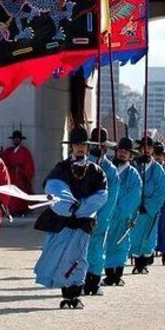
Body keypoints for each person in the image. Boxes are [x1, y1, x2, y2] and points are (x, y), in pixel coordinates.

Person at [33, 126, 107, 309]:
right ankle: (66, 294)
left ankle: (75, 294)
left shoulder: (96, 171)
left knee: (78, 258)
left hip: (82, 223)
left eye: (83, 145)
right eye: (76, 145)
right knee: (59, 256)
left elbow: (102, 195)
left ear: (88, 148)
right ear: (71, 147)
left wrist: (80, 209)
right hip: (63, 222)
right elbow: (54, 190)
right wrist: (67, 207)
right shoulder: (61, 168)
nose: (80, 148)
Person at [84, 127, 120, 296]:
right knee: (81, 249)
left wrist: (101, 216)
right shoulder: (82, 165)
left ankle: (94, 280)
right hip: (83, 215)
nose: (100, 149)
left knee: (98, 249)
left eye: (102, 146)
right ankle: (80, 280)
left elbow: (111, 197)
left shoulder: (111, 170)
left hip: (101, 216)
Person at [102, 137, 143, 286]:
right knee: (104, 245)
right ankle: (108, 274)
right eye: (120, 151)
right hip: (106, 215)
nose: (122, 154)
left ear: (131, 156)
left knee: (120, 245)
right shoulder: (107, 171)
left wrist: (119, 211)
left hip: (122, 217)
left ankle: (117, 275)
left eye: (125, 152)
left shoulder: (134, 176)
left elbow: (133, 197)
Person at [128, 136, 165, 274]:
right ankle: (136, 262)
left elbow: (162, 189)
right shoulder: (133, 166)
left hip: (150, 209)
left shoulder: (157, 169)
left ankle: (143, 263)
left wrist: (149, 205)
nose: (147, 150)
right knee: (134, 236)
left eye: (149, 148)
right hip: (135, 208)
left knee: (148, 237)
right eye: (144, 148)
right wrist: (135, 202)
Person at [0, 129, 36, 216]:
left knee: (21, 193)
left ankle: (21, 210)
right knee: (11, 193)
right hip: (11, 175)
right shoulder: (8, 151)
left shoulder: (24, 151)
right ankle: (10, 210)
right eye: (14, 138)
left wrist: (25, 174)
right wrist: (1, 154)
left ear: (20, 140)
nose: (16, 140)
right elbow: (3, 162)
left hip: (20, 176)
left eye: (18, 138)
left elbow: (29, 165)